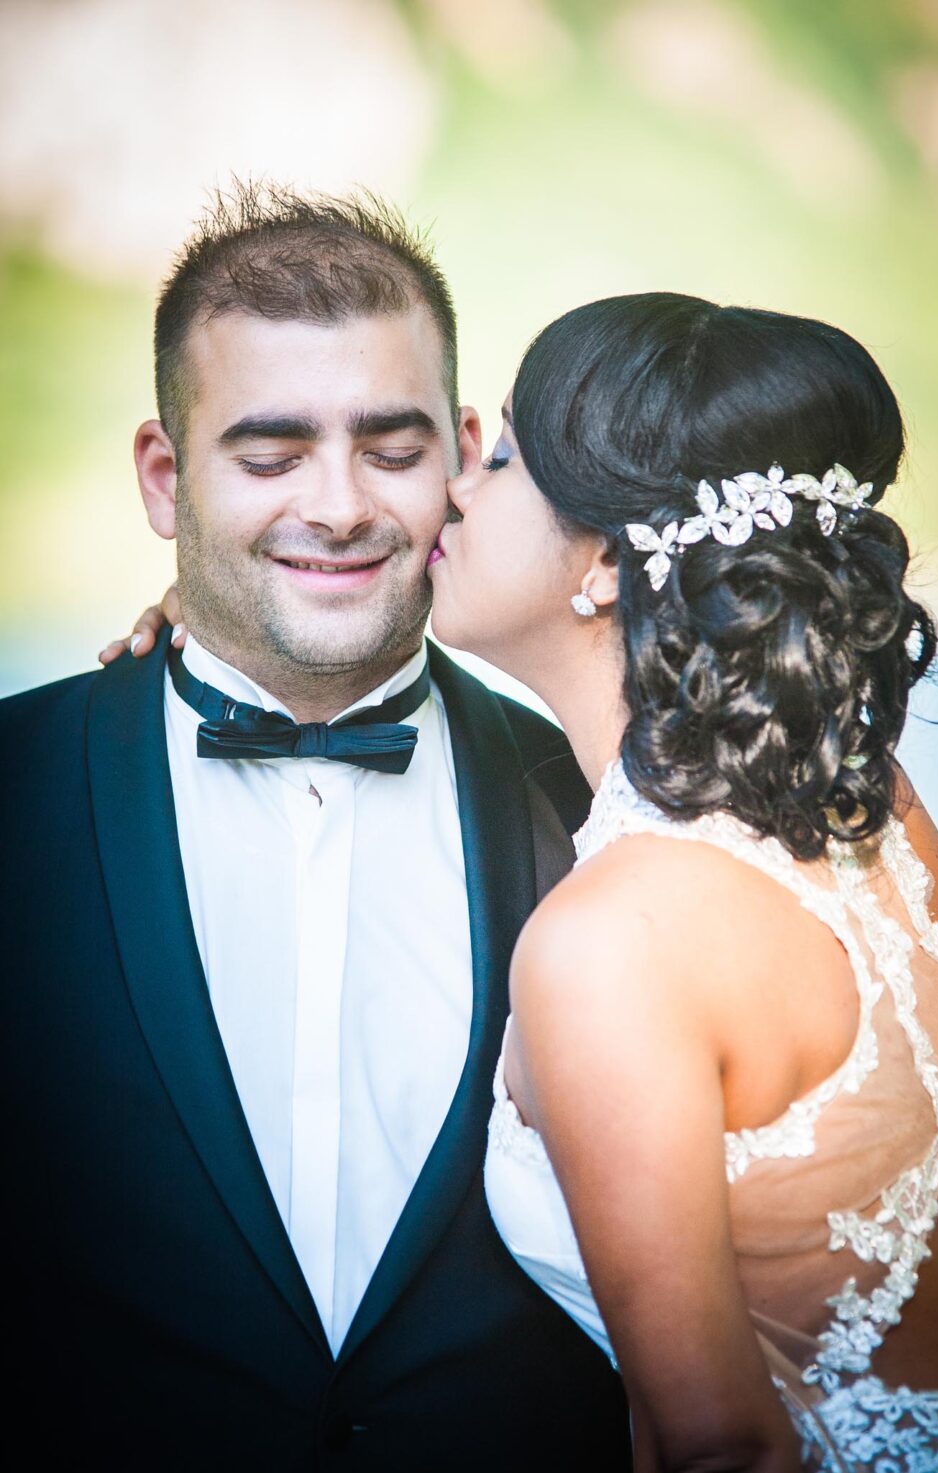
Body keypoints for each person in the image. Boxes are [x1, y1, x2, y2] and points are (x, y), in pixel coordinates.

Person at [0, 188, 631, 1471]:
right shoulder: (16, 787)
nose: (338, 507)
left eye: (391, 450)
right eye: (271, 455)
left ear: (462, 455)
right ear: (165, 477)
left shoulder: (608, 812)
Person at [428, 293, 938, 1472]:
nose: (455, 487)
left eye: (507, 457)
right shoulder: (870, 802)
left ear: (601, 565)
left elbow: (716, 1445)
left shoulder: (609, 943)